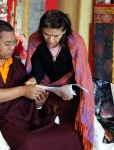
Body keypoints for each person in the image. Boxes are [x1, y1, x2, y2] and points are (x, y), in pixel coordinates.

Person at [0, 20, 82, 150]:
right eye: (7, 44)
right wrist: (23, 91)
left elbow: (26, 95)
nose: (12, 47)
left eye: (14, 43)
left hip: (25, 117)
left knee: (70, 136)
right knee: (28, 143)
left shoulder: (15, 63)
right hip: (1, 119)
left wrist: (38, 104)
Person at [25, 9, 95, 150]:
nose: (50, 39)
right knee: (36, 114)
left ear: (64, 31)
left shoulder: (76, 42)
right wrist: (32, 80)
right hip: (46, 88)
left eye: (55, 35)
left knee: (70, 125)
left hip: (70, 90)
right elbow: (37, 70)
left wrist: (72, 90)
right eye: (46, 34)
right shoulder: (35, 39)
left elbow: (81, 76)